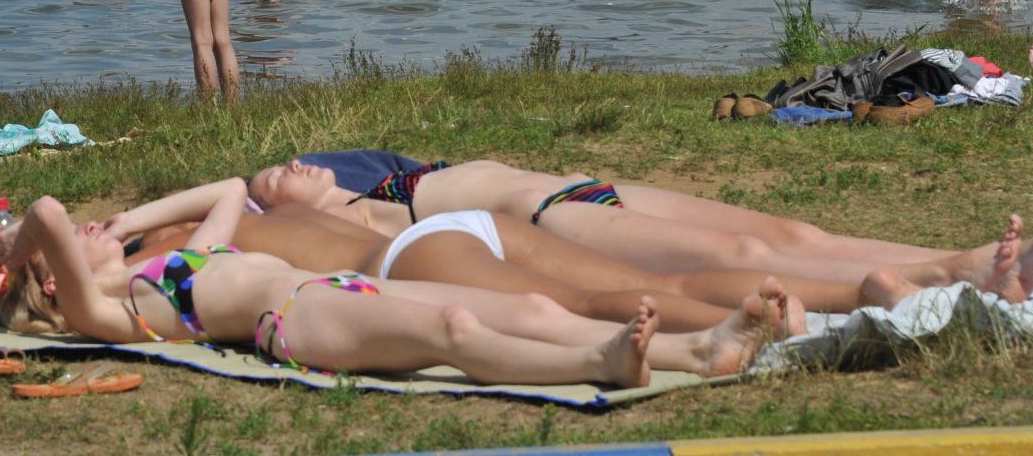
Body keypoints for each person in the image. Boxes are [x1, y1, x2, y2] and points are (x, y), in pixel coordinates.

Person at [0, 185, 665, 389]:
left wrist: (131, 218)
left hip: (335, 287)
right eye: (80, 237)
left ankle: (695, 351)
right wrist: (13, 245)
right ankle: (597, 362)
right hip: (293, 318)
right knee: (455, 330)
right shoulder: (106, 310)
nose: (88, 224)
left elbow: (230, 192)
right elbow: (49, 211)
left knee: (531, 305)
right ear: (53, 280)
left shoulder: (172, 266)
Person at [246, 156, 1033, 308]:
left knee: (792, 225)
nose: (296, 165)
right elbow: (217, 203)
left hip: (584, 187)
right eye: (278, 174)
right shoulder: (361, 217)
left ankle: (971, 260)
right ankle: (963, 272)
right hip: (554, 221)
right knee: (750, 256)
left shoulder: (371, 171)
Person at [124, 178, 894, 336]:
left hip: (414, 258)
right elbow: (219, 188)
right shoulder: (234, 219)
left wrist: (122, 226)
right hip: (459, 224)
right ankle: (855, 294)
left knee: (596, 305)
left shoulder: (181, 258)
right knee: (655, 281)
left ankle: (779, 326)